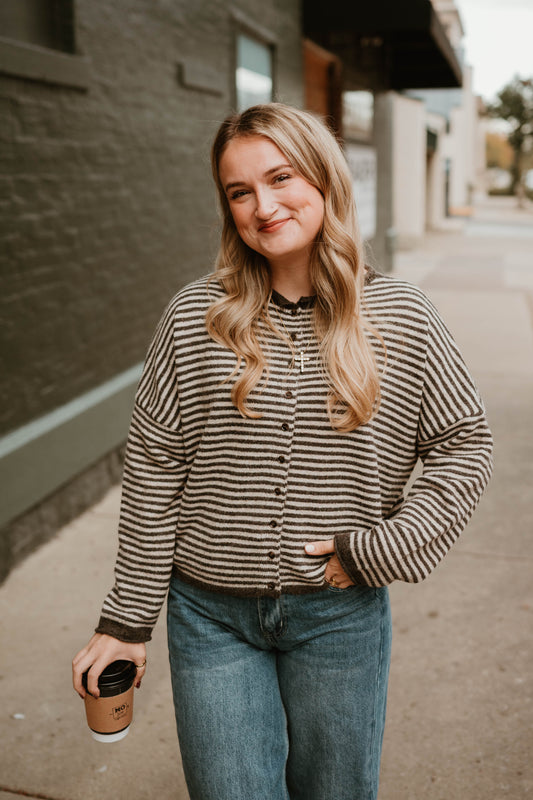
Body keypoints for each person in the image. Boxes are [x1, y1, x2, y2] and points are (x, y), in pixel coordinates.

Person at [72, 103, 493, 800]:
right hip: (209, 617)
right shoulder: (194, 315)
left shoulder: (403, 315)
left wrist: (383, 548)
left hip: (340, 616)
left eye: (280, 178)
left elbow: (464, 445)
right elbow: (153, 466)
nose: (263, 207)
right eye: (239, 191)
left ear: (324, 177)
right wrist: (126, 618)